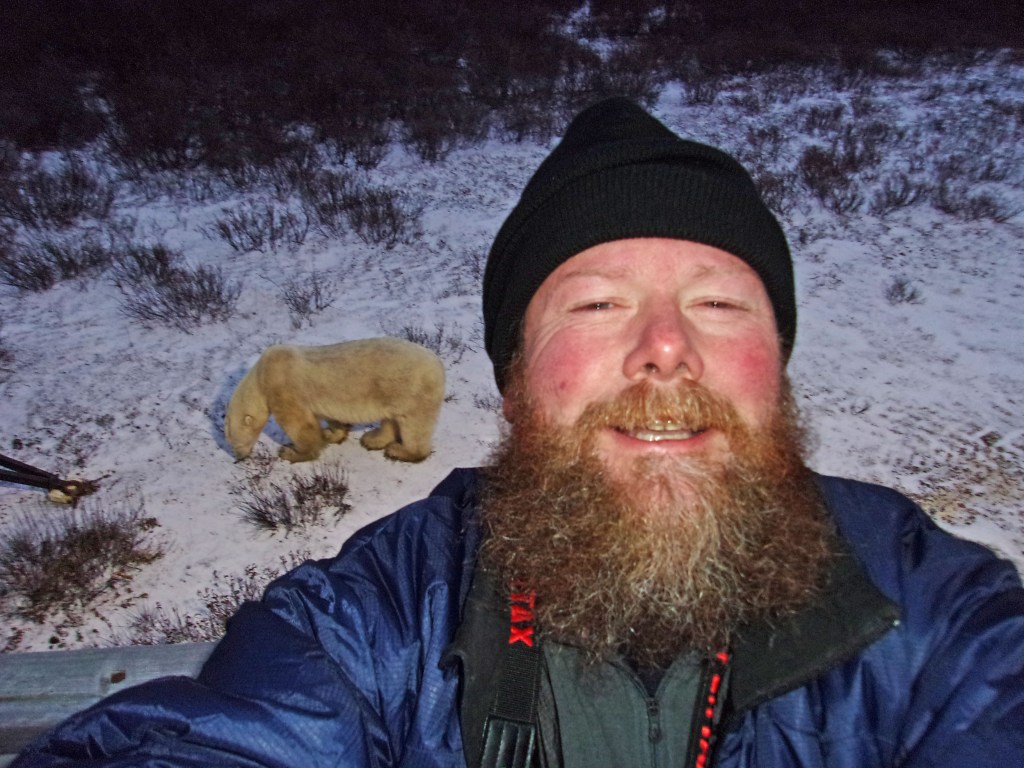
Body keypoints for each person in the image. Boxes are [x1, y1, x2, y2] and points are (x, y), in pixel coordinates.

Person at [12, 98, 1024, 768]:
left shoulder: (936, 616)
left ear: (781, 364)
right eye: (594, 306)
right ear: (511, 386)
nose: (665, 348)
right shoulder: (377, 622)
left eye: (720, 304)